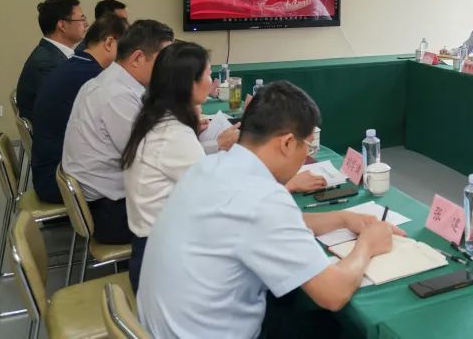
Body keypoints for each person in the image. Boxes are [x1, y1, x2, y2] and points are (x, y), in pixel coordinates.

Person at [137, 82, 402, 336]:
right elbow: (333, 293)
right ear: (287, 143)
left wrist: (343, 218)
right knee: (335, 327)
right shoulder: (262, 198)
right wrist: (367, 244)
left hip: (165, 328)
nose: (306, 155)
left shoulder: (209, 167)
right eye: (307, 145)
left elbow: (266, 224)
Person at [121, 42, 238, 290]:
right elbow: (217, 197)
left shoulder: (157, 117)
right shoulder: (173, 135)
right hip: (161, 267)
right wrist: (284, 185)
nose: (212, 82)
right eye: (208, 74)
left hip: (153, 250)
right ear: (189, 83)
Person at [62, 20, 178, 244]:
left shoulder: (113, 83)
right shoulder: (115, 94)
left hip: (104, 197)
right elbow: (151, 159)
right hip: (109, 212)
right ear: (138, 58)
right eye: (164, 61)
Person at [31, 14, 128, 204]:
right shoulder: (93, 78)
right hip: (59, 180)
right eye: (127, 48)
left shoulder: (76, 65)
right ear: (109, 43)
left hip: (53, 169)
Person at [15, 0, 88, 122]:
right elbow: (68, 110)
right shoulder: (47, 64)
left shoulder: (51, 54)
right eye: (82, 19)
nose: (86, 24)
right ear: (62, 25)